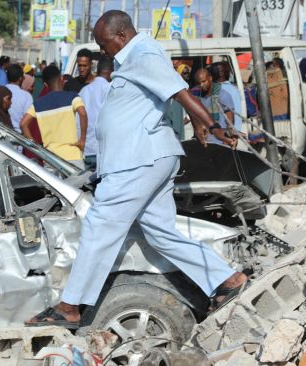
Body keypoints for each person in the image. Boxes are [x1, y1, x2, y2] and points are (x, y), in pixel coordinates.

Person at [25, 11, 246, 328]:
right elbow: (169, 93)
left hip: (137, 159)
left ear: (120, 36)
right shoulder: (134, 58)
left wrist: (211, 125)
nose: (104, 51)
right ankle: (228, 279)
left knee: (100, 225)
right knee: (161, 234)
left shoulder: (142, 54)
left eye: (104, 44)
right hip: (145, 158)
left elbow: (178, 92)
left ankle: (69, 306)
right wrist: (200, 124)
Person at [19, 65, 88, 169]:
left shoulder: (38, 103)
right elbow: (82, 113)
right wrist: (82, 140)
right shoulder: (72, 96)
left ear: (45, 84)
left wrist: (36, 147)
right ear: (61, 78)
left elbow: (23, 124)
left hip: (51, 159)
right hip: (72, 156)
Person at [78, 56, 113, 170]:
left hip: (86, 149)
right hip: (102, 150)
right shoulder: (109, 89)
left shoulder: (84, 91)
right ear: (111, 72)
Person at [194, 68, 236, 145]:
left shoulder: (223, 95)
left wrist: (227, 140)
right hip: (205, 142)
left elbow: (230, 121)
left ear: (210, 78)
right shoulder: (198, 97)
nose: (201, 85)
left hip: (220, 142)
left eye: (203, 81)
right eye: (198, 83)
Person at [213, 62, 243, 134]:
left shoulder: (219, 90)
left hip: (225, 133)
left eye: (211, 71)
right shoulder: (234, 89)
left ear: (220, 73)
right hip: (236, 131)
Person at [5, 65, 34, 133]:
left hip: (0, 132)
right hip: (19, 136)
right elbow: (29, 121)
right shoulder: (26, 96)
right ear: (20, 78)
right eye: (23, 77)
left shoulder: (0, 91)